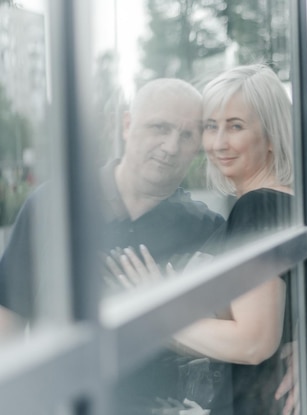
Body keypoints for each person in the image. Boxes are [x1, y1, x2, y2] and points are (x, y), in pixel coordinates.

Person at [0, 78, 226, 413]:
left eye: (187, 134)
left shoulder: (209, 230)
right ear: (126, 124)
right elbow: (9, 317)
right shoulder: (53, 206)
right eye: (159, 127)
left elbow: (241, 333)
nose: (171, 146)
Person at [115, 64, 296, 415]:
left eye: (236, 127)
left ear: (271, 135)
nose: (218, 143)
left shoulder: (258, 206)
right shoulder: (283, 203)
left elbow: (254, 341)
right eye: (210, 127)